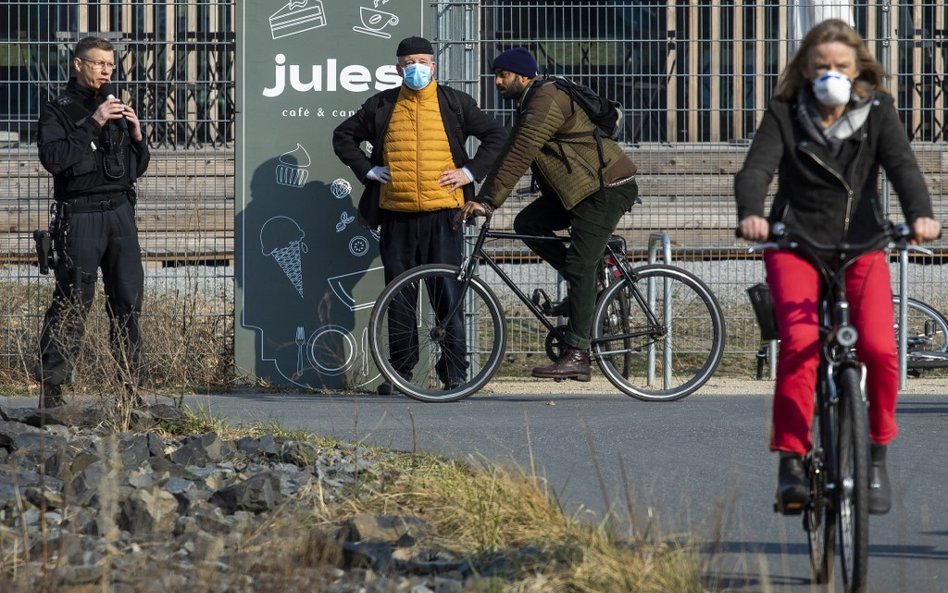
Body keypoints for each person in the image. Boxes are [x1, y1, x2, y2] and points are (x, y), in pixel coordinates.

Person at [734, 19, 941, 515]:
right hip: (795, 243)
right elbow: (757, 169)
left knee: (878, 348)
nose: (832, 74)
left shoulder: (879, 112)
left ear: (859, 69)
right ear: (805, 68)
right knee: (802, 343)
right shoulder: (785, 112)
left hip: (862, 243)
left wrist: (921, 217)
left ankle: (874, 454)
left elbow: (903, 167)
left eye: (841, 67)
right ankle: (791, 460)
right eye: (822, 66)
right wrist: (752, 215)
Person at [333, 36, 507, 392]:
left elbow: (495, 135)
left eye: (423, 61)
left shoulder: (454, 103)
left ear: (434, 66)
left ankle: (454, 373)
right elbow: (343, 137)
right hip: (396, 216)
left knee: (447, 292)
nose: (416, 68)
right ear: (398, 68)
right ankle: (399, 374)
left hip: (445, 215)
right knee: (399, 297)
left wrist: (469, 173)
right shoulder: (381, 105)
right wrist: (368, 170)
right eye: (409, 62)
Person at [457, 47, 639, 382]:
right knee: (528, 223)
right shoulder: (529, 102)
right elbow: (510, 151)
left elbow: (520, 155)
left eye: (503, 75)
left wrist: (488, 203)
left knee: (580, 265)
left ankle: (578, 353)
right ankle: (588, 282)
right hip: (578, 189)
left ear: (523, 76)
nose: (497, 81)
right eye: (496, 75)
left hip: (605, 188)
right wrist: (484, 197)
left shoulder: (545, 101)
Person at [36, 36, 151, 408]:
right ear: (79, 64)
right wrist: (94, 122)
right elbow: (54, 159)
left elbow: (133, 170)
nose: (106, 71)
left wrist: (136, 135)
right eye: (99, 63)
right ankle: (52, 394)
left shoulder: (113, 106)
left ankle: (130, 392)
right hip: (81, 215)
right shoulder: (58, 110)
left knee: (128, 302)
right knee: (73, 301)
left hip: (119, 214)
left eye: (110, 65)